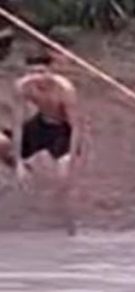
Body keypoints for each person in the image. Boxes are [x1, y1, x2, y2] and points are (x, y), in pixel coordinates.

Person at [1, 47, 83, 234]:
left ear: (50, 71)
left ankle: (69, 225)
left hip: (62, 131)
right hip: (39, 125)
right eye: (32, 73)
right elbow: (18, 123)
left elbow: (76, 127)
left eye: (41, 72)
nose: (37, 77)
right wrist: (19, 162)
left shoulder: (65, 89)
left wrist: (71, 157)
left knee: (64, 178)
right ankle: (21, 169)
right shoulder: (23, 86)